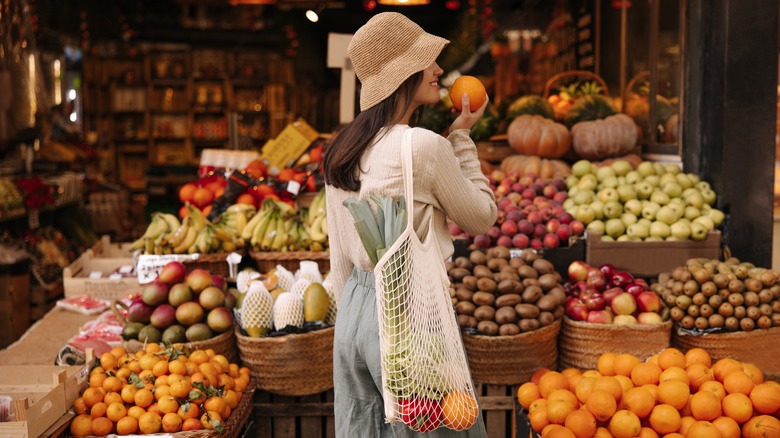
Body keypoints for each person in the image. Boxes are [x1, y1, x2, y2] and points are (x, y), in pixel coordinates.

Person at [322, 12, 497, 437]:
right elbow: (481, 217)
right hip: (408, 312)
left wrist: (354, 329)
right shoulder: (423, 146)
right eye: (428, 61)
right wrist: (462, 139)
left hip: (355, 316)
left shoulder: (342, 150)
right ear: (404, 74)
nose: (439, 70)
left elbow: (340, 257)